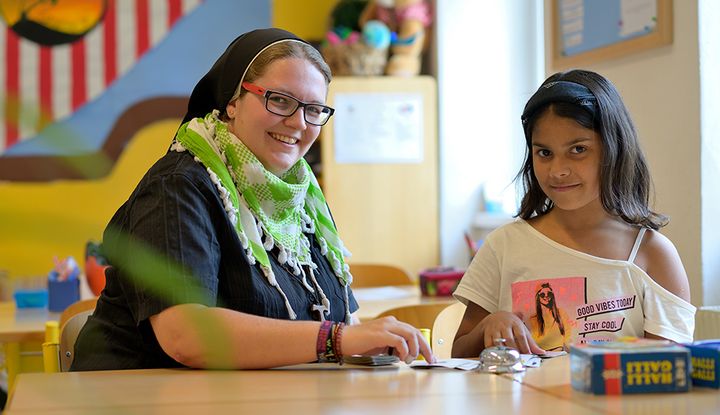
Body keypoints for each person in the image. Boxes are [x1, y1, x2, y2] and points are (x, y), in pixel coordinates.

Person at [71, 28, 434, 370]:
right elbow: (185, 334)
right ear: (232, 101)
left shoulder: (302, 200)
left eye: (313, 109)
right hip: (138, 398)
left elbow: (343, 320)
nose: (298, 123)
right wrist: (336, 339)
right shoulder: (179, 185)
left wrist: (374, 343)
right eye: (279, 100)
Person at [452, 69, 696, 357]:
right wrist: (487, 328)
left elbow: (668, 371)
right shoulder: (503, 246)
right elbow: (458, 353)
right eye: (544, 153)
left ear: (613, 150)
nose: (558, 170)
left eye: (578, 149)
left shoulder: (652, 254)